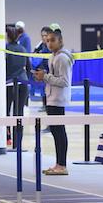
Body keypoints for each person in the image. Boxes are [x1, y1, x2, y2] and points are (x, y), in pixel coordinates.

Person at [34, 24, 74, 176]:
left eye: (52, 41)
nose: (49, 43)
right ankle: (59, 163)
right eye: (47, 41)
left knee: (59, 132)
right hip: (51, 98)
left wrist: (45, 77)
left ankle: (62, 165)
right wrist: (43, 76)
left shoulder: (62, 58)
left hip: (58, 99)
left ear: (60, 41)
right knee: (56, 132)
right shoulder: (53, 57)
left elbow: (64, 81)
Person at [5, 27, 30, 147]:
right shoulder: (23, 49)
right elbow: (29, 67)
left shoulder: (5, 49)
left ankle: (8, 138)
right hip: (23, 83)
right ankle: (18, 142)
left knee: (6, 111)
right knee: (19, 113)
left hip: (9, 83)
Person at [32, 27, 52, 112]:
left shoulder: (51, 45)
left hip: (51, 71)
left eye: (45, 35)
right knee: (43, 89)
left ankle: (49, 106)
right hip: (43, 70)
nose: (43, 37)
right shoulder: (41, 44)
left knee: (49, 90)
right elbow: (35, 52)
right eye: (42, 35)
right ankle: (44, 105)